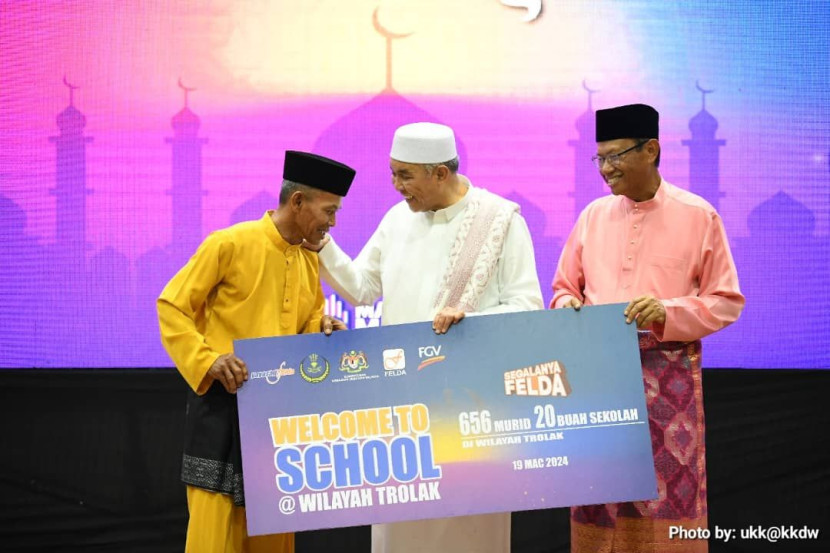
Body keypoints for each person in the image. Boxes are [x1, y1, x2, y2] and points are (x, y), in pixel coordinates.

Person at [309, 122, 544, 553]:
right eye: (393, 173)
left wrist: (472, 320)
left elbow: (527, 305)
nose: (396, 185)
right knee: (402, 526)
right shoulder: (398, 219)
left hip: (473, 408)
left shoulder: (501, 220)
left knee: (472, 528)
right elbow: (362, 289)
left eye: (405, 175)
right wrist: (321, 242)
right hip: (402, 403)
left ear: (440, 173)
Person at [551, 103, 745, 552]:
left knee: (664, 495)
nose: (606, 169)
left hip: (665, 383)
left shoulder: (698, 216)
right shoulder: (593, 216)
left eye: (616, 156)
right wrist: (567, 306)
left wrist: (666, 312)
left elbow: (726, 301)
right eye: (600, 158)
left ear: (651, 149)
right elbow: (564, 288)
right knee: (597, 492)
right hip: (597, 376)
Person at [157, 151, 355, 553]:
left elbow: (307, 320)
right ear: (297, 201)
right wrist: (208, 359)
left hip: (276, 419)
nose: (332, 223)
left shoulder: (307, 260)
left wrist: (322, 329)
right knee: (214, 537)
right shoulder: (229, 243)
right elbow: (172, 307)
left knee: (273, 540)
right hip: (221, 409)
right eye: (329, 211)